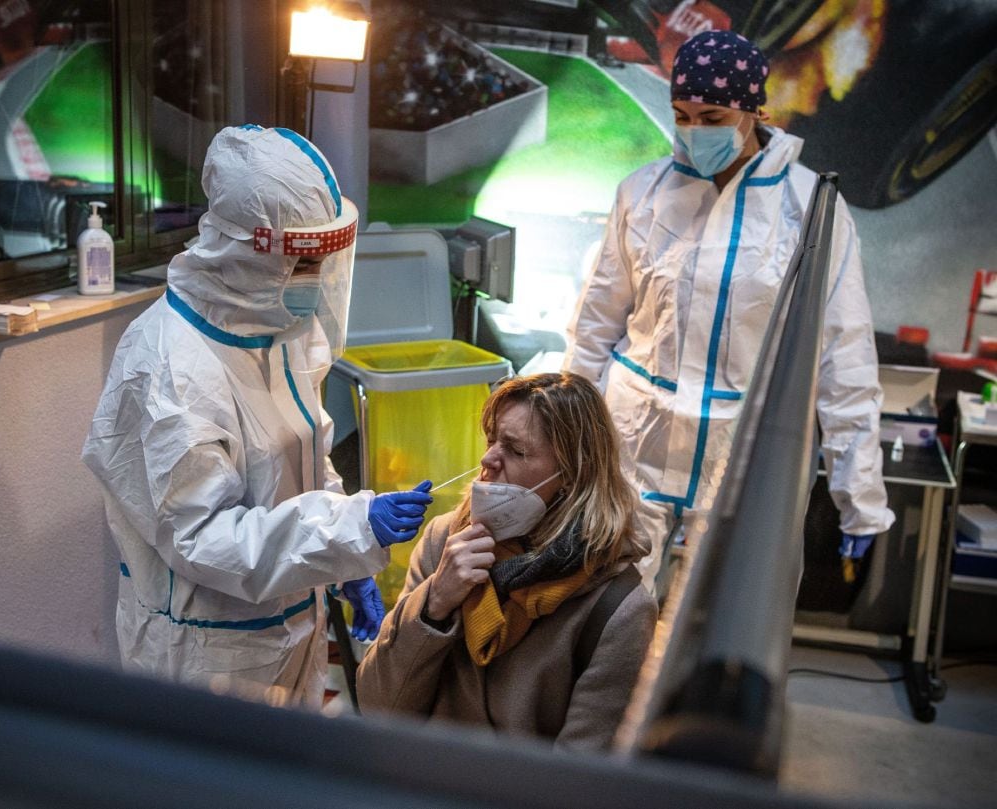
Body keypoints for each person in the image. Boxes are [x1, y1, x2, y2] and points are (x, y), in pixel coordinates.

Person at [81, 125, 433, 708]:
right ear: (248, 253)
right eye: (301, 263)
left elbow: (308, 455)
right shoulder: (169, 367)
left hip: (292, 625)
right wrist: (348, 531)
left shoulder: (279, 330)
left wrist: (345, 558)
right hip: (208, 655)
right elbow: (201, 537)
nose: (314, 280)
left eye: (322, 260)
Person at [562, 29, 894, 592]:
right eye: (682, 114)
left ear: (754, 110)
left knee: (712, 626)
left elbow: (845, 358)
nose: (694, 131)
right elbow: (595, 325)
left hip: (740, 455)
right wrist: (565, 441)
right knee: (608, 613)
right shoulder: (642, 193)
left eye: (712, 117)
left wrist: (858, 495)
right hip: (635, 441)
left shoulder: (811, 208)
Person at [357, 372, 657, 752]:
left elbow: (582, 778)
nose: (487, 459)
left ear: (574, 474)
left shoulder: (618, 610)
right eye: (492, 439)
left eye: (516, 451)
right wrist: (434, 605)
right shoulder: (445, 542)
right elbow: (378, 706)